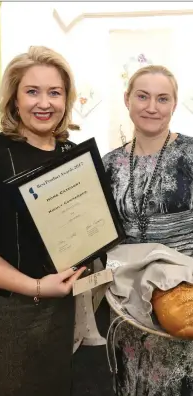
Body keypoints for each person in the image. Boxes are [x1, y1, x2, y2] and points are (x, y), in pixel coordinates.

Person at [0, 45, 87, 396]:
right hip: (7, 313)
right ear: (14, 99)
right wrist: (39, 288)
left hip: (61, 310)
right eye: (32, 91)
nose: (44, 103)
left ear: (66, 99)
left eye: (54, 92)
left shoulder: (73, 155)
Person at [103, 65, 193, 395]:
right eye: (142, 96)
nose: (151, 107)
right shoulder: (108, 163)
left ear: (174, 103)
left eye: (162, 98)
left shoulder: (190, 153)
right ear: (127, 100)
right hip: (129, 300)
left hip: (184, 295)